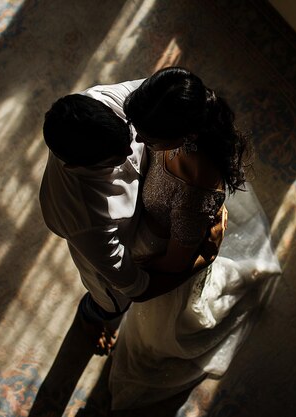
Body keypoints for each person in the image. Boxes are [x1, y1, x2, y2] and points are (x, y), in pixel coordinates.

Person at [108, 67, 281, 410]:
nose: (140, 142)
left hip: (169, 260)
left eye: (151, 138)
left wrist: (128, 271)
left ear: (183, 135)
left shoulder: (193, 190)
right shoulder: (170, 118)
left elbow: (175, 264)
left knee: (159, 330)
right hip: (159, 228)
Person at [39, 79, 222, 357]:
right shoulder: (84, 219)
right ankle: (92, 318)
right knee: (112, 303)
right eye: (114, 159)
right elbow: (136, 287)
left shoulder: (104, 100)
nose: (131, 149)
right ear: (77, 166)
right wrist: (202, 260)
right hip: (118, 252)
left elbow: (164, 97)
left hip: (150, 213)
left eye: (129, 134)